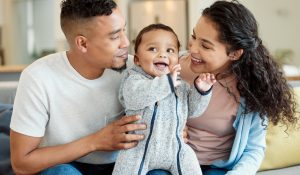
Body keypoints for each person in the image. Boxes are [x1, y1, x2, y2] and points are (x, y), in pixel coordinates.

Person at [9, 0, 151, 175]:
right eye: (114, 36)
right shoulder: (38, 77)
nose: (125, 42)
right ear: (82, 44)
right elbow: (21, 164)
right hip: (67, 165)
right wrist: (95, 142)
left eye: (124, 30)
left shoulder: (135, 69)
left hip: (124, 164)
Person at [179, 1, 298, 175]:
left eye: (205, 45)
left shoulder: (251, 89)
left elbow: (254, 149)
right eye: (194, 36)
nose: (193, 48)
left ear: (234, 53)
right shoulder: (171, 67)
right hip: (173, 159)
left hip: (216, 168)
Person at [112, 23, 216, 175]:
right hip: (138, 149)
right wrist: (167, 82)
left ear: (178, 59)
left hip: (175, 148)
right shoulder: (133, 80)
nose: (162, 55)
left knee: (191, 165)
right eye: (152, 49)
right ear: (137, 60)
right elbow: (136, 98)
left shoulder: (180, 86)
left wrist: (201, 91)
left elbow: (193, 110)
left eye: (170, 50)